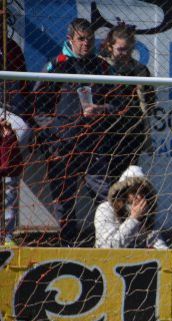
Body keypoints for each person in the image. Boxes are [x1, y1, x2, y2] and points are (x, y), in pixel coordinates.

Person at [34, 18, 117, 246]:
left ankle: (107, 243)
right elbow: (38, 108)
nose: (86, 44)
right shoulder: (57, 65)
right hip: (62, 145)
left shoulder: (102, 67)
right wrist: (54, 134)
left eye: (90, 39)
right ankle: (66, 246)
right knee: (64, 201)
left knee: (104, 195)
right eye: (81, 39)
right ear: (70, 39)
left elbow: (118, 104)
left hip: (94, 145)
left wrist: (102, 109)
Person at [98, 23, 156, 179]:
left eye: (128, 49)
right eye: (120, 49)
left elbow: (150, 101)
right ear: (110, 46)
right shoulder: (100, 66)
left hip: (131, 132)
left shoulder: (139, 70)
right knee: (105, 178)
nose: (125, 53)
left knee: (128, 179)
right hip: (104, 131)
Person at [0, 37, 33, 246]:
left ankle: (8, 234)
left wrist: (12, 114)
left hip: (6, 111)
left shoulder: (9, 47)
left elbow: (22, 90)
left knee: (18, 132)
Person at [94, 166, 165, 249]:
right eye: (134, 191)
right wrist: (134, 219)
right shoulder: (105, 209)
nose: (138, 197)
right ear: (123, 192)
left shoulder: (146, 213)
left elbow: (159, 245)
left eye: (142, 192)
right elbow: (108, 246)